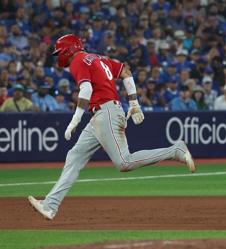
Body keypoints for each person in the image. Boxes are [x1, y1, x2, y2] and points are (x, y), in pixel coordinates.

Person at [28, 34, 196, 220]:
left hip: (105, 112)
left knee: (124, 162)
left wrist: (75, 119)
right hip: (102, 113)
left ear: (69, 49)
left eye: (61, 52)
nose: (60, 56)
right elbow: (126, 72)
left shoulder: (78, 60)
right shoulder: (100, 58)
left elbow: (86, 90)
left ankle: (175, 151)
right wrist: (133, 102)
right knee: (74, 156)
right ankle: (50, 206)